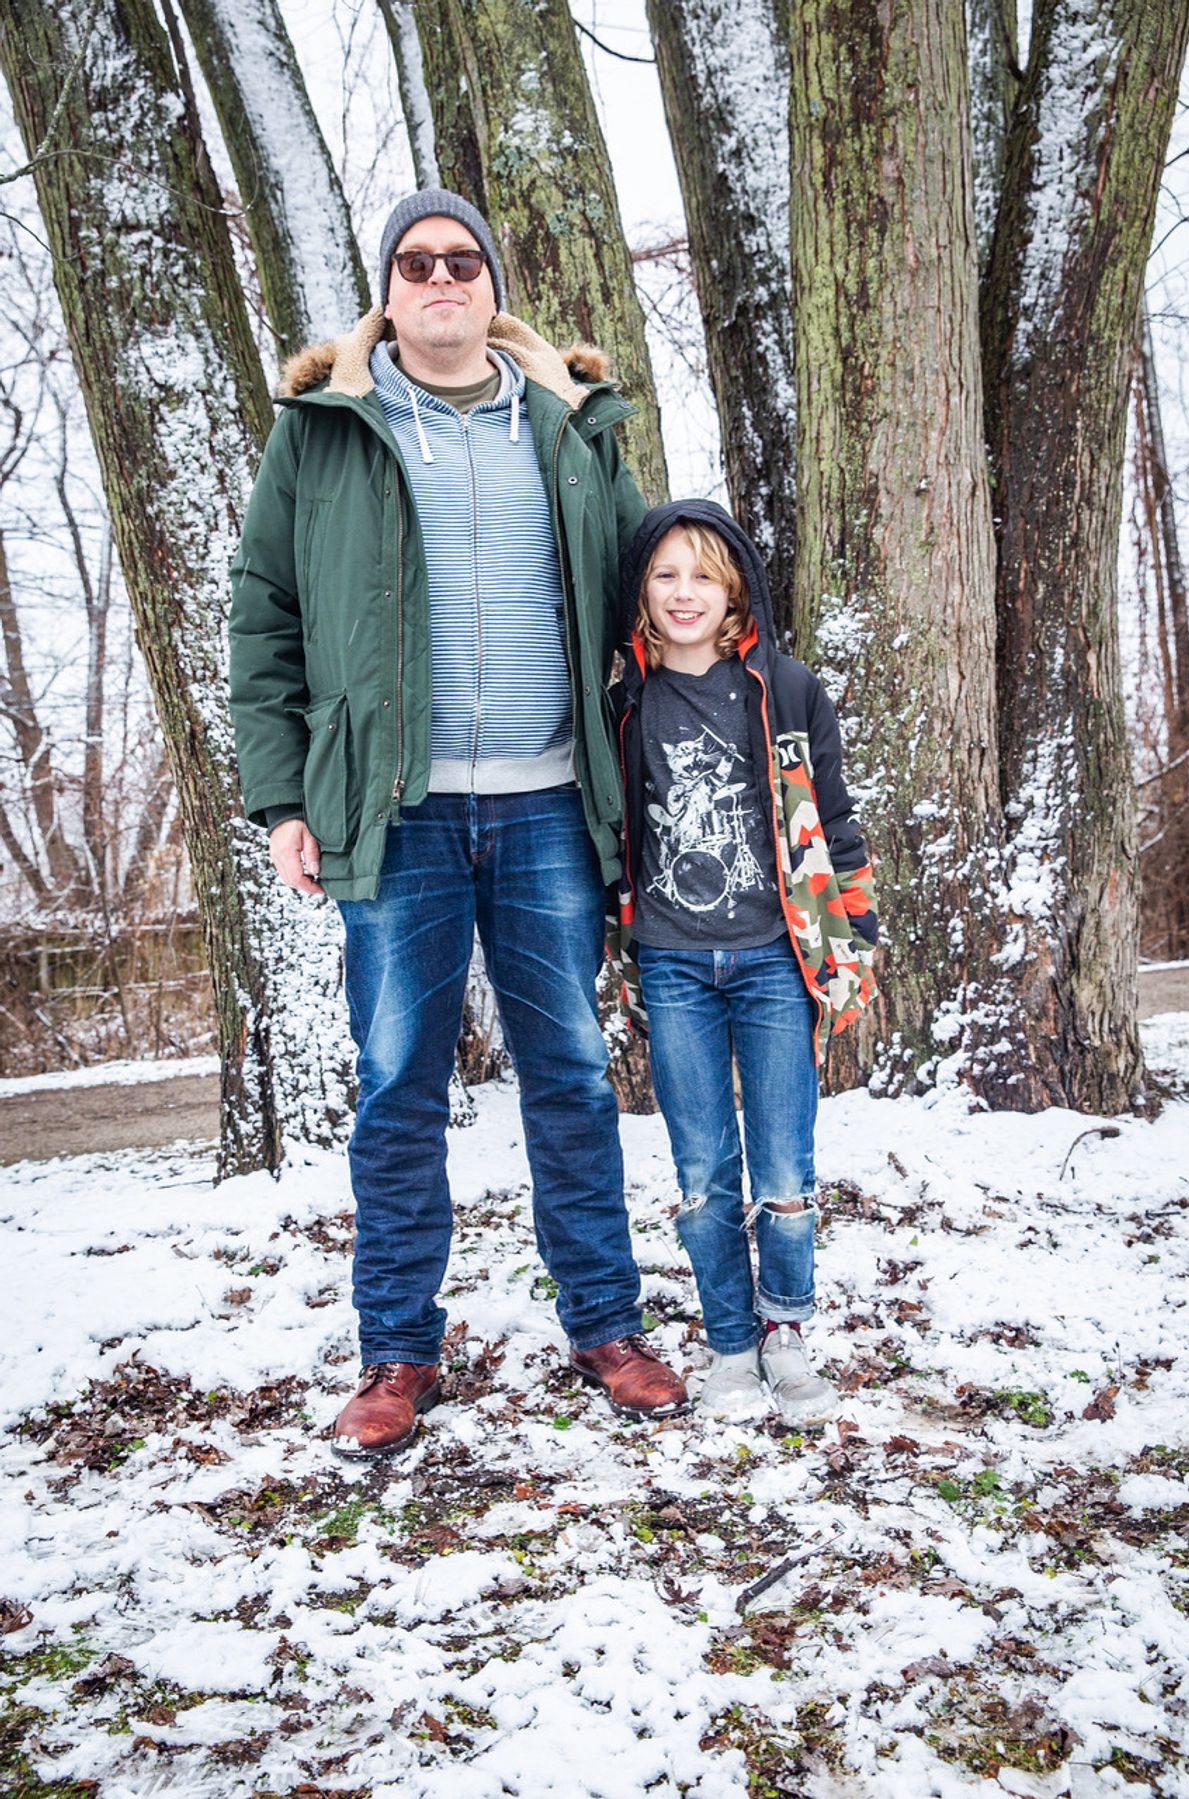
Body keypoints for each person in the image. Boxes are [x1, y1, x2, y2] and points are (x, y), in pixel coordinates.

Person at [228, 189, 689, 1458]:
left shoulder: (576, 428)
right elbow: (263, 616)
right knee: (395, 1089)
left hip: (550, 800)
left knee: (575, 1076)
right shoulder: (326, 432)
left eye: (463, 259)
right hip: (398, 811)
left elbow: (652, 595)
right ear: (390, 291)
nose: (441, 277)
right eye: (416, 262)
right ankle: (397, 1352)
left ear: (493, 285)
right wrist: (282, 796)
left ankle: (605, 1322)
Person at [612, 501, 879, 1423]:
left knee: (782, 1169)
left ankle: (786, 1332)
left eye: (705, 574)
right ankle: (729, 1341)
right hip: (675, 966)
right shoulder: (626, 702)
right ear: (641, 590)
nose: (685, 593)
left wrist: (858, 928)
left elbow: (832, 817)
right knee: (702, 1172)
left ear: (736, 590)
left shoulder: (787, 688)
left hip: (774, 961)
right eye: (666, 574)